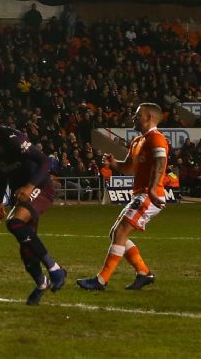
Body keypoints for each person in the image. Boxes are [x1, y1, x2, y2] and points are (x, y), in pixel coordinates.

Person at [0, 100, 67, 305]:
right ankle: (41, 283)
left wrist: (30, 186)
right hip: (21, 194)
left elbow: (45, 161)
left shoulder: (10, 137)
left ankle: (56, 269)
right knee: (27, 250)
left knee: (15, 223)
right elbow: (2, 173)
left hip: (39, 188)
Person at [78, 104, 169, 292]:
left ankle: (101, 281)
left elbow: (161, 164)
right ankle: (144, 273)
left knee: (120, 233)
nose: (133, 117)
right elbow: (128, 168)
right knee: (115, 234)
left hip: (149, 194)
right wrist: (113, 164)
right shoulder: (138, 141)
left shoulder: (156, 138)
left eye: (138, 115)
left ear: (149, 117)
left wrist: (152, 189)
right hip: (142, 193)